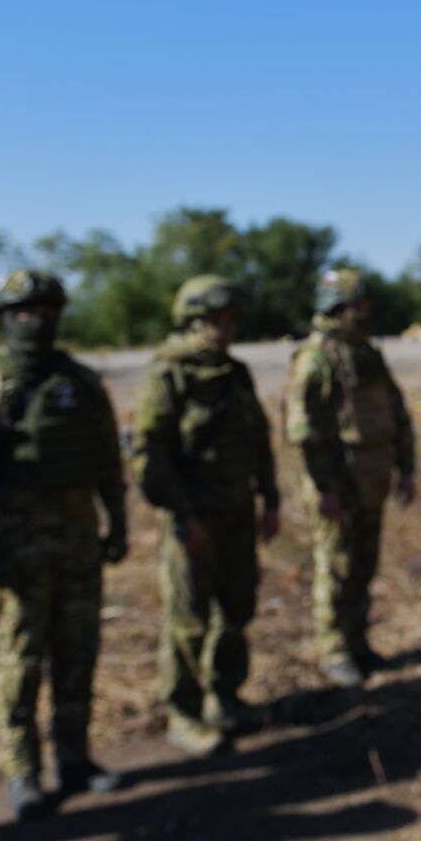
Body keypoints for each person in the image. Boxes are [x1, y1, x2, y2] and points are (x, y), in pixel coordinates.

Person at [0, 270, 127, 821]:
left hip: (77, 545)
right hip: (17, 550)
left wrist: (115, 524)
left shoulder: (83, 383)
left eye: (47, 311)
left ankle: (74, 758)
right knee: (19, 663)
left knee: (77, 654)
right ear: (5, 317)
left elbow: (105, 462)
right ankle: (23, 771)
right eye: (25, 311)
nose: (37, 321)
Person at [131, 275, 279, 756]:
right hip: (192, 516)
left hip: (237, 510)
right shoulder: (168, 374)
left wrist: (270, 499)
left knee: (236, 609)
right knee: (189, 620)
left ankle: (225, 697)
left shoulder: (235, 373)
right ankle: (184, 714)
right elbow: (150, 455)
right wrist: (181, 514)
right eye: (214, 320)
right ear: (192, 320)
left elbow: (258, 440)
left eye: (231, 321)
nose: (224, 330)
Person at [284, 269, 415, 688]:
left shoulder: (366, 352)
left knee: (364, 564)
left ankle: (357, 641)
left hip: (372, 480)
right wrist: (325, 489)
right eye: (360, 305)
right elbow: (304, 433)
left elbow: (396, 413)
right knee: (336, 567)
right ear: (337, 307)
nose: (367, 312)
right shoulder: (317, 357)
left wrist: (406, 469)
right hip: (338, 486)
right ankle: (334, 649)